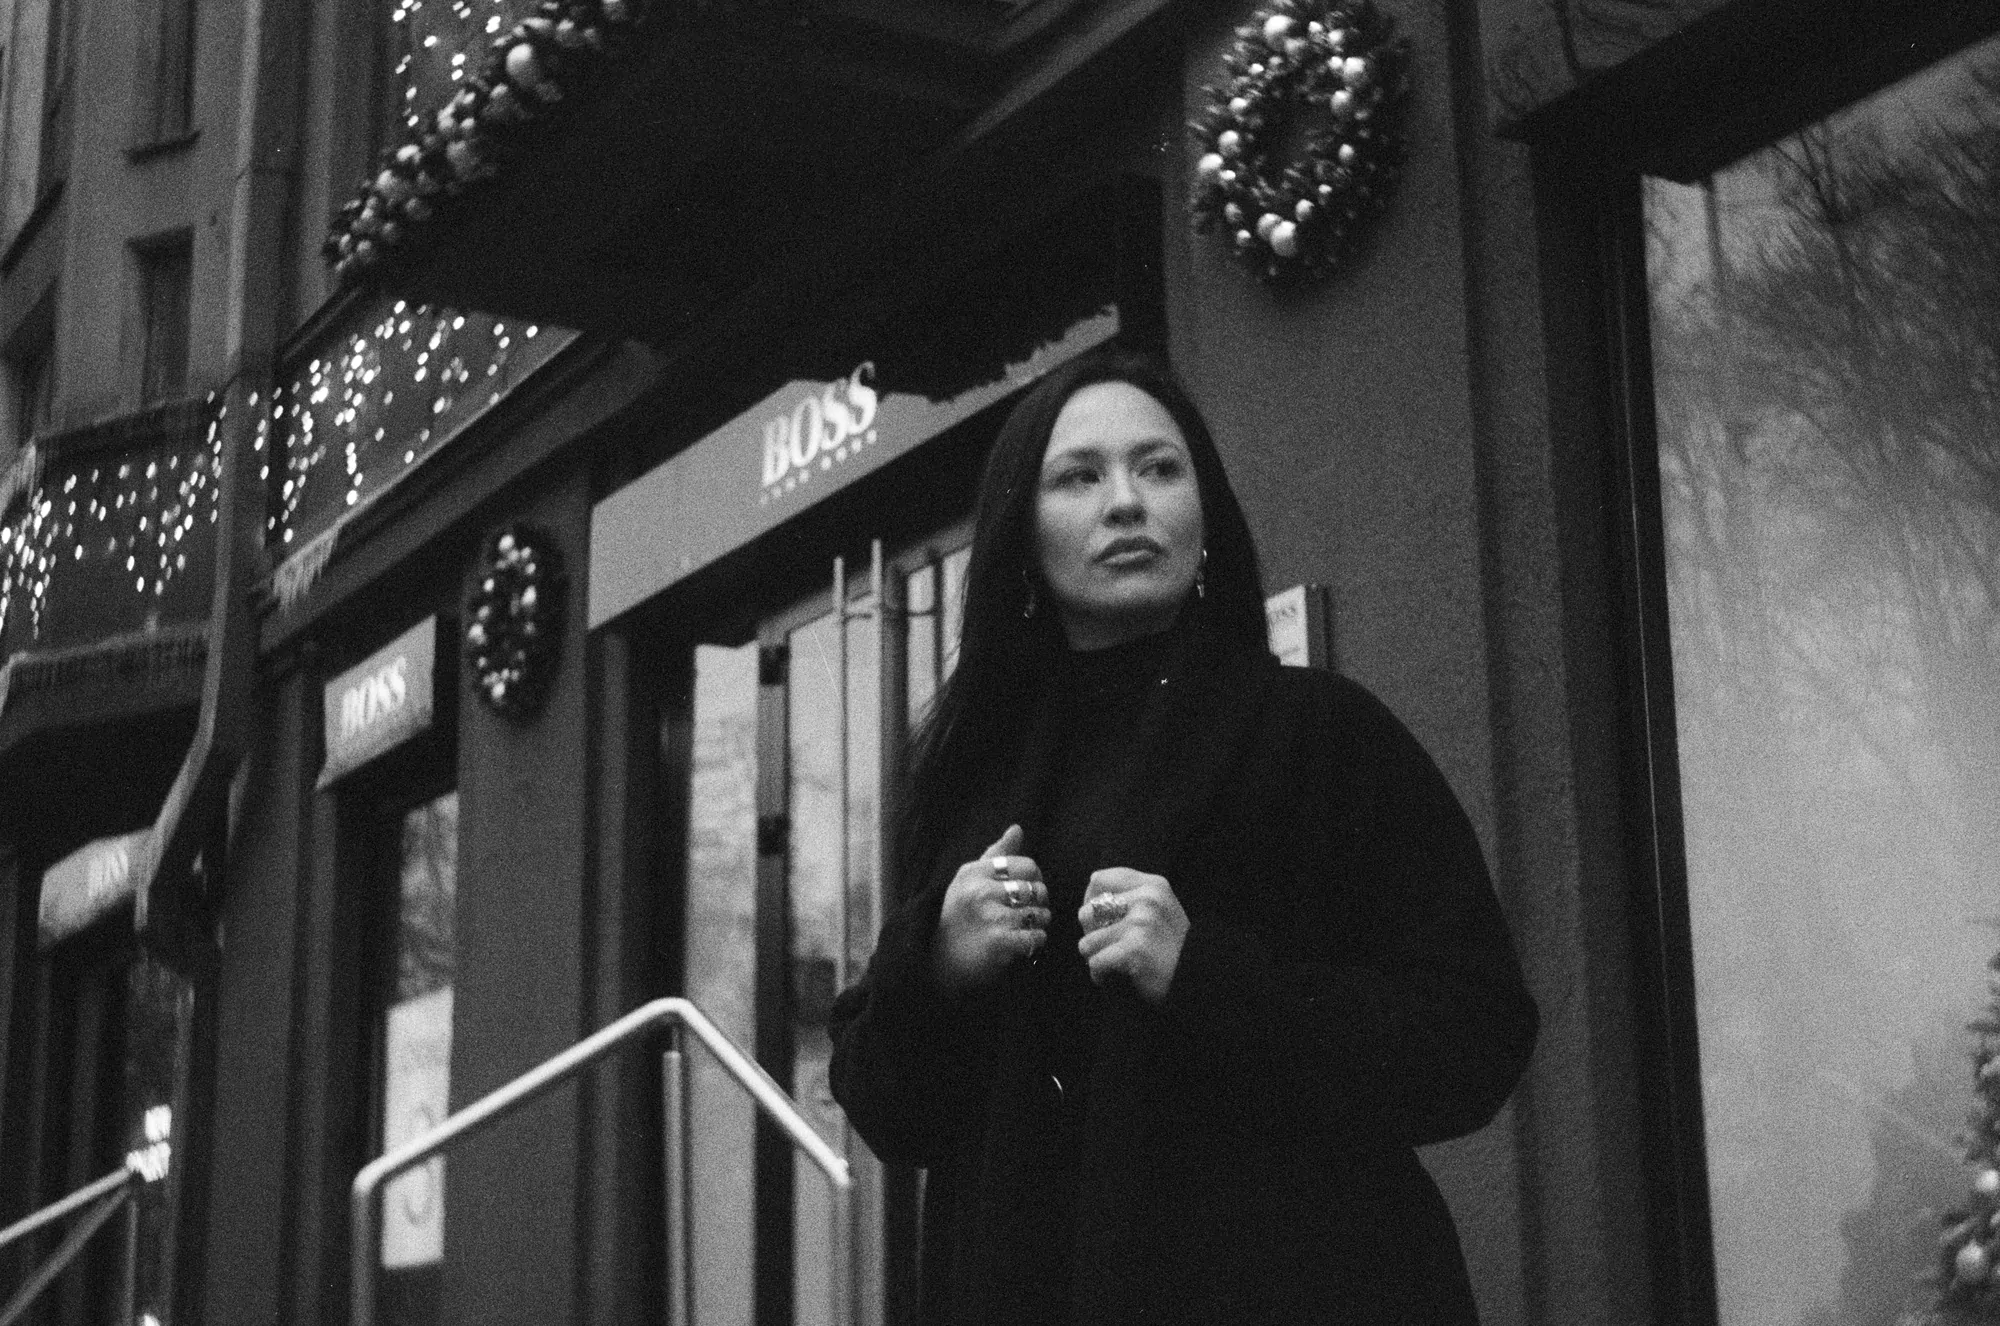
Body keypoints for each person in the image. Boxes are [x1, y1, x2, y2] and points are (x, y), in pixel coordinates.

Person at [827, 345, 1537, 1325]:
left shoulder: (1320, 733)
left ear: (1204, 518)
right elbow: (885, 1108)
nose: (1126, 501)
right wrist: (938, 963)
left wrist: (1204, 974)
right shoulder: (966, 779)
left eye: (1158, 468)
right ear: (1019, 539)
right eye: (1079, 476)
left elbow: (1473, 1041)